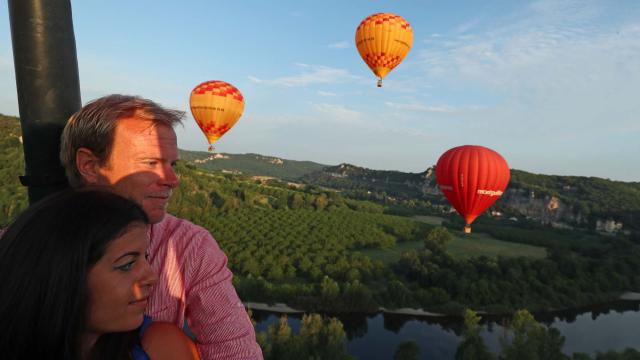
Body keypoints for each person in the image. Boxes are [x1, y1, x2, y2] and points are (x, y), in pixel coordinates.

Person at [59, 95, 262, 359]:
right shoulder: (20, 247)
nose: (173, 180)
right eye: (151, 163)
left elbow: (234, 347)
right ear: (90, 165)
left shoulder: (189, 245)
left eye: (172, 165)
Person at [0, 189, 200, 360]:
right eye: (126, 265)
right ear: (63, 276)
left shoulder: (162, 348)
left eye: (145, 257)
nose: (152, 277)